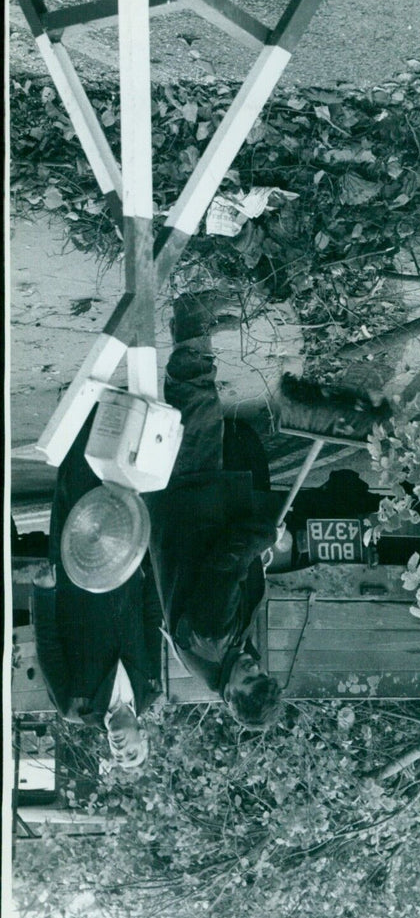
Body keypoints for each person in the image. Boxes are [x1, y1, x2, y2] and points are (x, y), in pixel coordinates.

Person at [144, 293, 283, 729]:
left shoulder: (212, 640)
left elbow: (224, 561)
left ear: (229, 697)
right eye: (260, 673)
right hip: (193, 508)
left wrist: (265, 538)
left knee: (197, 407)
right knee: (199, 412)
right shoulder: (220, 655)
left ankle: (191, 318)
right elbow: (233, 578)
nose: (252, 668)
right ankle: (193, 333)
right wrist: (258, 561)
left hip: (190, 503)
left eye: (249, 680)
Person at [32, 411, 162, 769]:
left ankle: (79, 408)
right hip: (124, 560)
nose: (120, 749)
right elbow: (152, 622)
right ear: (143, 736)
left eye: (117, 756)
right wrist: (146, 568)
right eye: (132, 753)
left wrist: (43, 592)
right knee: (119, 488)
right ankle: (113, 412)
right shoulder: (151, 687)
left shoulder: (76, 706)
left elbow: (49, 646)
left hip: (74, 574)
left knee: (75, 490)